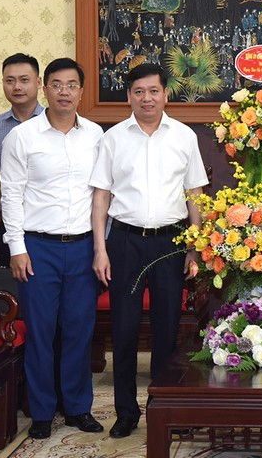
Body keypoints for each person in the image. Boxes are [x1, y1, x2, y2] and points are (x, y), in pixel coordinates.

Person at [90, 63, 208, 438]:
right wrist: (100, 249)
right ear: (128, 96)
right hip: (123, 241)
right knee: (124, 329)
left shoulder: (184, 137)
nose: (147, 98)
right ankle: (126, 412)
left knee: (166, 329)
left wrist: (194, 247)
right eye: (138, 91)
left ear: (165, 94)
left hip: (171, 243)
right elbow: (101, 197)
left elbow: (195, 196)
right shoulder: (113, 139)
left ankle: (163, 406)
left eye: (153, 91)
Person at [0, 57, 104, 440]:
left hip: (82, 247)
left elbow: (102, 195)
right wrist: (16, 247)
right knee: (41, 332)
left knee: (80, 330)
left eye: (72, 85)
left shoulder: (95, 136)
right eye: (56, 84)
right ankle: (41, 411)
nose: (64, 91)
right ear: (45, 88)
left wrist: (100, 247)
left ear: (81, 90)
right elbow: (9, 194)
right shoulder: (21, 137)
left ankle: (77, 407)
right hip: (36, 248)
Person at [0, 53, 44, 267]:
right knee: (11, 294)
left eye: (24, 80)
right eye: (9, 81)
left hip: (46, 228)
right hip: (9, 226)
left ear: (39, 83)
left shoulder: (53, 124)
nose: (17, 87)